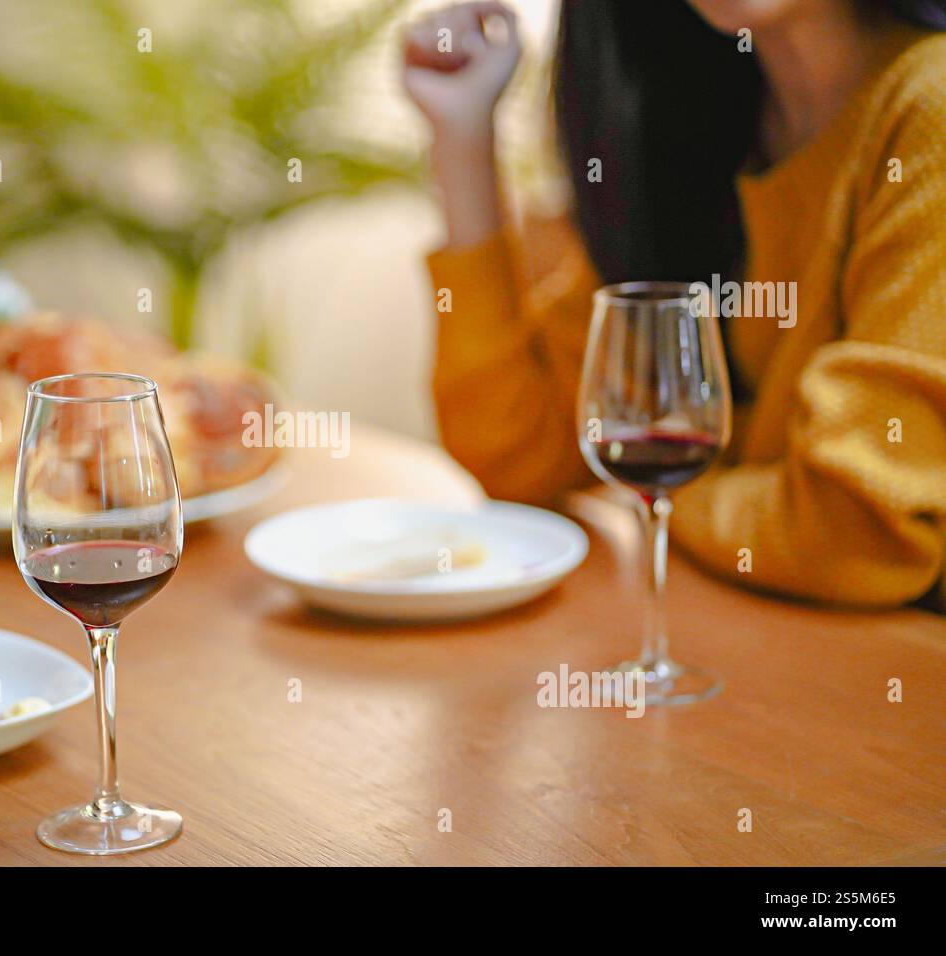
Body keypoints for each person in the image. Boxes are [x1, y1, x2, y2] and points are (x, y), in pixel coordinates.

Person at [403, 0, 946, 607]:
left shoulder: (932, 107)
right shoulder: (691, 131)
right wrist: (461, 136)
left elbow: (854, 535)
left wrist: (662, 494)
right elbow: (520, 455)